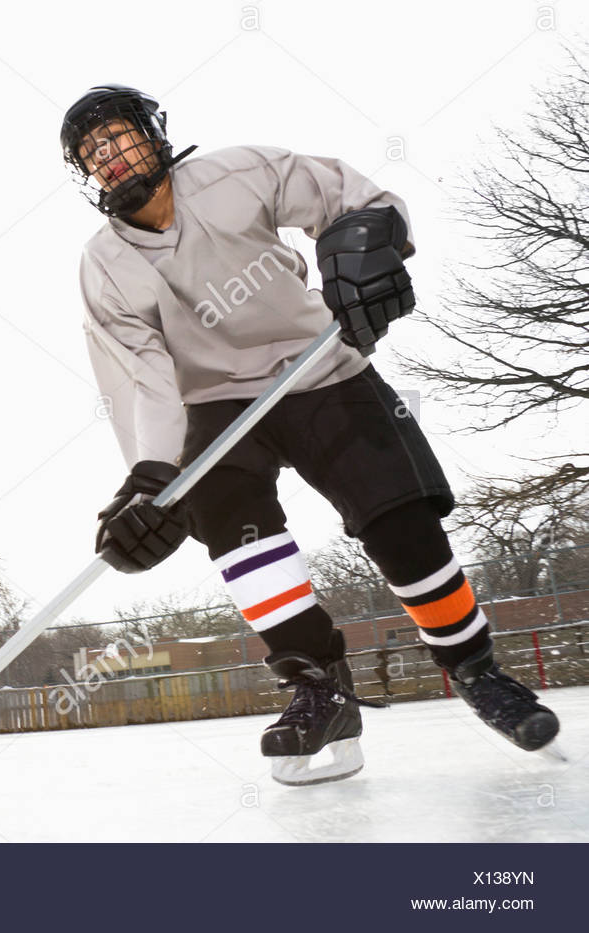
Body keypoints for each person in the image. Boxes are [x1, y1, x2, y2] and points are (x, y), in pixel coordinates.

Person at [62, 85, 560, 784]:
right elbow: (142, 378)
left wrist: (369, 245)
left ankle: (476, 670)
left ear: (152, 134)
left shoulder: (237, 173)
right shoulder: (104, 264)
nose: (107, 157)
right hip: (215, 404)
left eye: (116, 137)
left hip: (319, 364)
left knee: (400, 520)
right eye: (91, 153)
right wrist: (153, 475)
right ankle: (319, 689)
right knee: (239, 535)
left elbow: (351, 200)